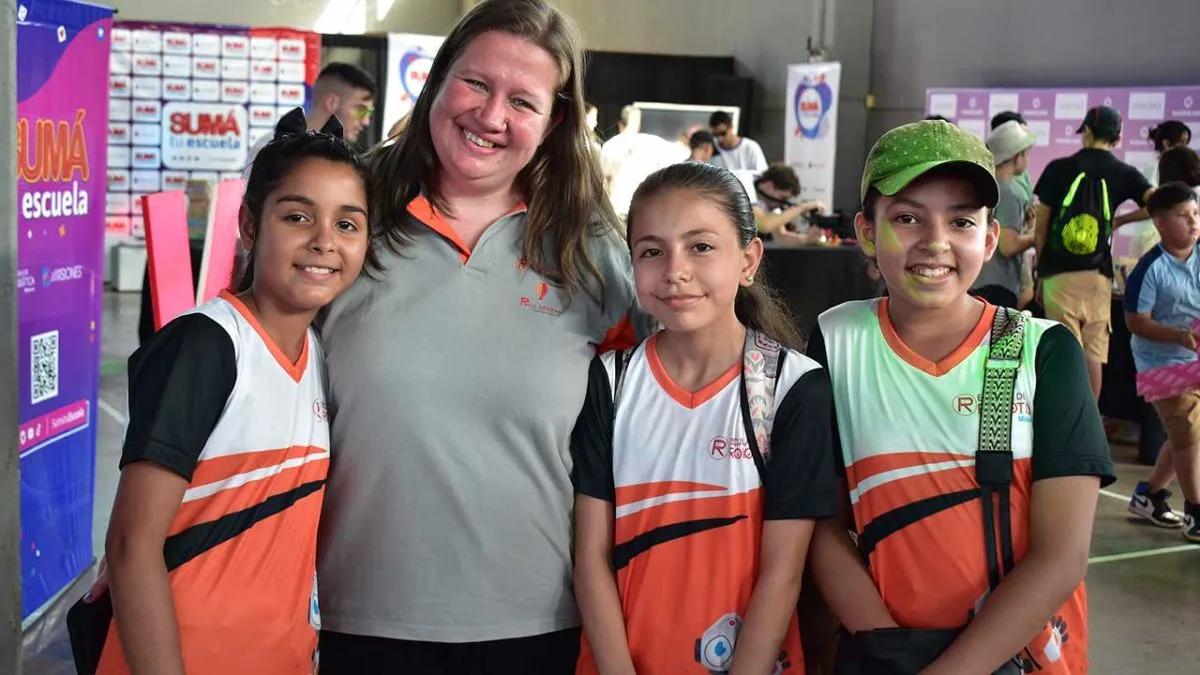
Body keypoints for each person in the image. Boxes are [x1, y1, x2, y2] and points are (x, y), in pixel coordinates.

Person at [312, 1, 649, 672]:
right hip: (360, 612)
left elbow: (669, 394)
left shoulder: (590, 249)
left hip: (539, 621)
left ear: (553, 122)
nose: (491, 116)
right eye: (475, 83)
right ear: (437, 80)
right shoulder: (350, 212)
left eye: (522, 100)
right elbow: (255, 358)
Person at [808, 119, 1114, 674]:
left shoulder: (1040, 353)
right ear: (867, 231)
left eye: (961, 221)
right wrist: (886, 647)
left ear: (989, 239)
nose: (936, 242)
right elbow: (822, 522)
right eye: (907, 218)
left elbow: (1062, 554)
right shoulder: (837, 340)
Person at [93, 109, 371, 674]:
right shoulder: (208, 345)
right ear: (249, 226)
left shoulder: (321, 353)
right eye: (298, 217)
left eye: (347, 224)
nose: (323, 242)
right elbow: (130, 545)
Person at [571, 161, 836, 674]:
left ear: (749, 259)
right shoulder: (611, 381)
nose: (675, 271)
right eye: (652, 251)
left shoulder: (792, 388)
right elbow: (591, 558)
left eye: (701, 247)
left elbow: (783, 574)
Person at [1034, 105, 1155, 400]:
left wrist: (1040, 272)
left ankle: (1064, 424)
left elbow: (1042, 228)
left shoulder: (1057, 169)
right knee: (1093, 354)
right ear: (1118, 137)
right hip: (1098, 275)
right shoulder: (1123, 173)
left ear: (1086, 131)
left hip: (1058, 276)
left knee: (1064, 353)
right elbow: (1157, 202)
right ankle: (1089, 425)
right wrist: (1121, 220)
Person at [1123, 182, 1200, 540]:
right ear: (1160, 223)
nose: (1194, 222)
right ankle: (1195, 512)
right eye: (1184, 216)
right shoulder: (1149, 268)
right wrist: (1179, 335)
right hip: (1160, 364)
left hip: (1194, 355)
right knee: (1188, 432)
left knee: (1186, 435)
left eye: (1196, 213)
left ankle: (1149, 496)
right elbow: (1136, 321)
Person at [243, 63, 377, 174]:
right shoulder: (271, 147)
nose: (366, 122)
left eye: (369, 113)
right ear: (331, 103)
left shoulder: (345, 158)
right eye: (360, 110)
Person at [973, 120, 1038, 307]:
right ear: (1016, 156)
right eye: (1025, 154)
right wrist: (1038, 235)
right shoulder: (1010, 192)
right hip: (999, 285)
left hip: (980, 281)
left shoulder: (987, 186)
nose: (1027, 159)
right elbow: (1008, 246)